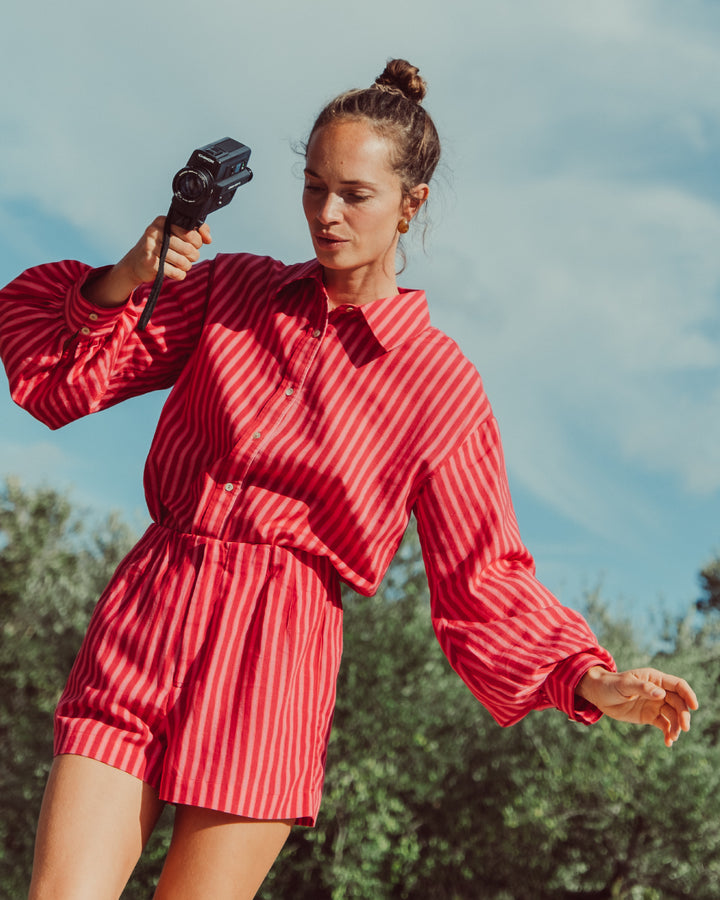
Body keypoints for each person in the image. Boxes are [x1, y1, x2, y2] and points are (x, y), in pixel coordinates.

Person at [0, 59, 698, 900]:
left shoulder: (441, 385)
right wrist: (125, 277)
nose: (326, 215)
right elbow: (60, 380)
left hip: (276, 651)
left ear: (412, 203)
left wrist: (586, 677)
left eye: (355, 195)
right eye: (313, 187)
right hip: (152, 609)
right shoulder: (232, 290)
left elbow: (482, 579)